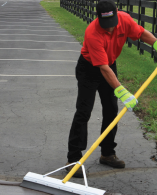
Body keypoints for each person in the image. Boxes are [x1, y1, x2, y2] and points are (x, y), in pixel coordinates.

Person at [66, 0, 157, 177]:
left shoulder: (125, 19)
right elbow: (103, 68)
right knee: (84, 111)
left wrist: (155, 43)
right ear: (98, 18)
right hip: (90, 69)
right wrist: (123, 92)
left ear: (117, 14)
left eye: (112, 24)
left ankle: (107, 153)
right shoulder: (92, 33)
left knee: (111, 110)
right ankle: (73, 159)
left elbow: (140, 33)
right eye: (105, 25)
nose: (109, 29)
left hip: (110, 64)